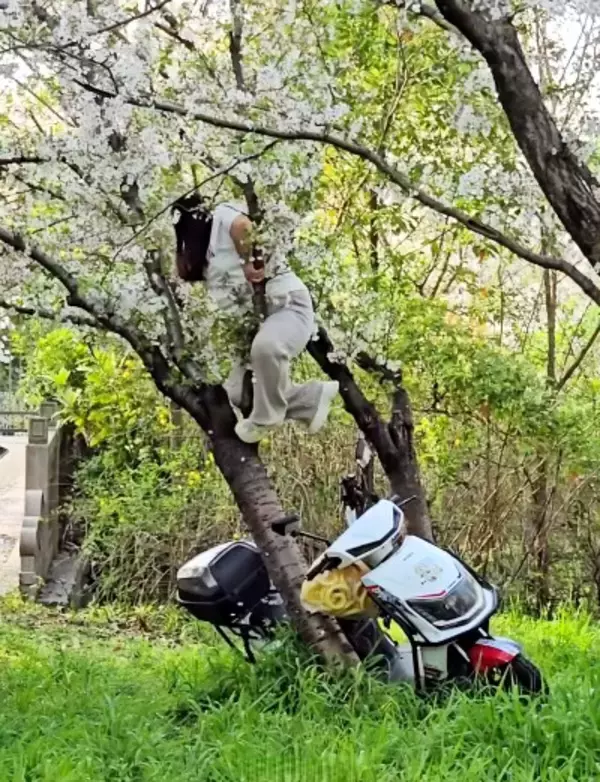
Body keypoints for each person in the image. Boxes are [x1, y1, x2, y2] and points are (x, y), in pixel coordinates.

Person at [172, 193, 339, 444]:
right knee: (236, 394)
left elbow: (243, 226)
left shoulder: (221, 215)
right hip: (253, 327)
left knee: (267, 348)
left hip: (287, 306)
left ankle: (267, 418)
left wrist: (250, 260)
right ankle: (309, 398)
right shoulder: (204, 254)